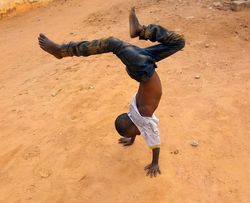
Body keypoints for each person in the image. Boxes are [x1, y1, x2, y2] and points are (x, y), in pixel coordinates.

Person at [38, 7, 185, 177]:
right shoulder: (138, 114)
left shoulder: (141, 115)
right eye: (134, 134)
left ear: (133, 123)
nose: (137, 134)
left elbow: (150, 137)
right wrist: (140, 146)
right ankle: (141, 31)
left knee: (112, 43)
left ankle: (62, 51)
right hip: (146, 66)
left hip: (143, 68)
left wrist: (151, 157)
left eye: (133, 133)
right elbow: (147, 134)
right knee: (178, 42)